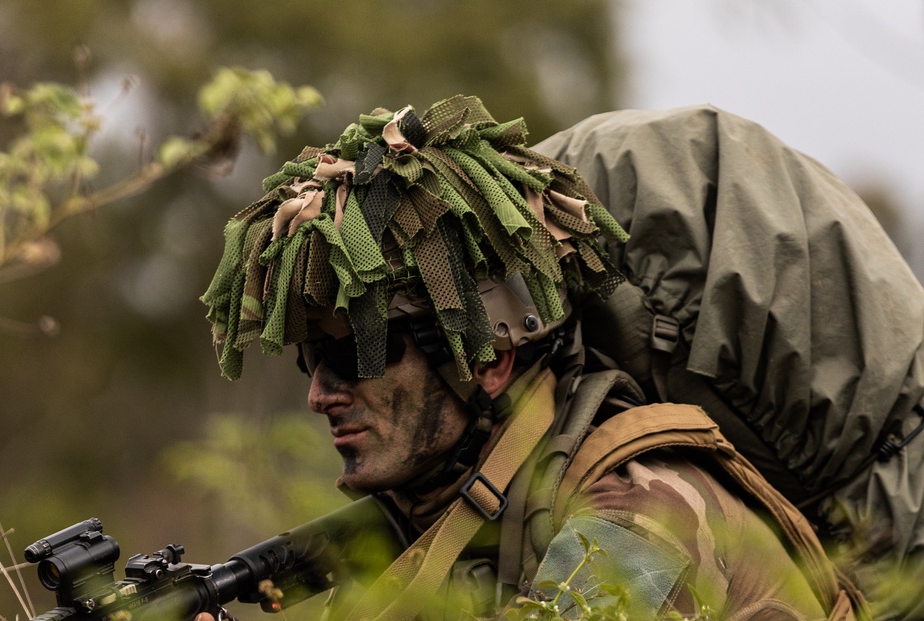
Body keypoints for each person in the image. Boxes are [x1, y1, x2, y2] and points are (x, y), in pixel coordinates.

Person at [201, 96, 865, 620]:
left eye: (357, 350)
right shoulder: (450, 516)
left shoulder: (641, 511)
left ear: (485, 357)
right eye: (313, 357)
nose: (321, 393)